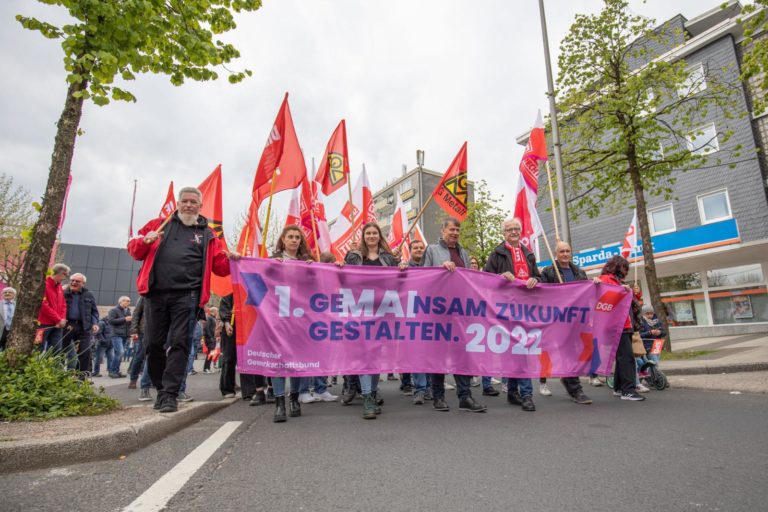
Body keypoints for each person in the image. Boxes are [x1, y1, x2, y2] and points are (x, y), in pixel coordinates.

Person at [127, 186, 237, 413]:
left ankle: (169, 395)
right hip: (155, 294)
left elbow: (221, 267)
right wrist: (145, 242)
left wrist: (234, 260)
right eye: (185, 201)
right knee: (154, 344)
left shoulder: (207, 234)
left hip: (187, 296)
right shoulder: (159, 225)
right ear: (178, 204)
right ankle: (160, 387)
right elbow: (135, 250)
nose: (188, 205)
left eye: (193, 202)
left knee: (180, 343)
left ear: (200, 206)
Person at [420, 217, 486, 413]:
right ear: (443, 231)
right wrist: (439, 269)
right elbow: (423, 277)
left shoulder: (463, 252)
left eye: (457, 230)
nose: (455, 233)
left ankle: (464, 397)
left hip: (459, 312)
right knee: (438, 356)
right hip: (438, 312)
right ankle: (438, 397)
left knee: (461, 356)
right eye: (451, 229)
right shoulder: (432, 250)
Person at [343, 222, 399, 419]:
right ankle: (367, 398)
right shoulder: (354, 256)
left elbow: (398, 282)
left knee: (375, 356)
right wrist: (340, 267)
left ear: (379, 236)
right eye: (368, 233)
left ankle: (372, 394)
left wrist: (403, 268)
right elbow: (343, 279)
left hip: (382, 311)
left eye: (375, 233)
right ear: (363, 236)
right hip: (359, 310)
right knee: (364, 355)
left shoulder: (388, 258)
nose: (372, 236)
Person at [484, 218, 540, 412]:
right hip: (506, 308)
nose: (514, 231)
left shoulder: (529, 254)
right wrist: (500, 277)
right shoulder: (497, 253)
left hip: (527, 309)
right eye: (510, 229)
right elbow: (485, 278)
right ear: (504, 233)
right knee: (517, 350)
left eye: (517, 228)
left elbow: (538, 276)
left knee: (520, 350)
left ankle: (516, 392)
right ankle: (524, 394)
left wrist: (535, 279)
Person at [269, 225, 316, 422]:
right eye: (290, 237)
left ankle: (294, 398)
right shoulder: (273, 260)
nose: (294, 240)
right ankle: (279, 403)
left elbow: (318, 285)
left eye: (297, 237)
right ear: (283, 239)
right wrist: (270, 267)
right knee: (279, 361)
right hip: (278, 318)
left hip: (300, 318)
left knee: (296, 361)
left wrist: (318, 269)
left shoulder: (308, 262)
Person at [539, 240, 593, 405]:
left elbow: (587, 294)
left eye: (567, 251)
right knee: (567, 353)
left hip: (577, 321)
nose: (564, 254)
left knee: (575, 353)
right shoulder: (549, 272)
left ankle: (569, 380)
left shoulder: (580, 273)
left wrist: (595, 283)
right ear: (556, 253)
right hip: (558, 321)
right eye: (561, 251)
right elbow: (542, 295)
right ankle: (576, 390)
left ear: (571, 253)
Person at [597, 255, 645, 401]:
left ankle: (619, 387)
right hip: (617, 325)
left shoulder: (618, 282)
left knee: (622, 357)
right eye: (624, 268)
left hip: (624, 324)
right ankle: (628, 390)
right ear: (616, 266)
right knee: (627, 358)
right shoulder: (606, 280)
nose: (626, 271)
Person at [61, 273, 99, 376]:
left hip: (84, 327)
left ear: (83, 283)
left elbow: (94, 312)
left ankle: (81, 378)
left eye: (77, 281)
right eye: (72, 280)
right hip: (66, 326)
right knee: (60, 351)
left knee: (85, 352)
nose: (73, 283)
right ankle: (57, 375)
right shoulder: (63, 292)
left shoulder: (88, 295)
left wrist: (95, 323)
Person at [38, 263, 69, 353]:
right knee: (38, 348)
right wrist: (59, 319)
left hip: (58, 324)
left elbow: (63, 304)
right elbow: (44, 305)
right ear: (60, 273)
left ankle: (49, 367)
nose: (66, 277)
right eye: (66, 274)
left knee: (56, 349)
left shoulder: (59, 287)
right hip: (44, 323)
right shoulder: (44, 285)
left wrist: (62, 319)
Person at [637, 304, 666, 392]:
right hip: (647, 345)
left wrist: (659, 332)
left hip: (657, 344)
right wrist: (650, 332)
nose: (650, 315)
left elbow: (664, 332)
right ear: (643, 314)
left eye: (651, 313)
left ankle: (653, 378)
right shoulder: (641, 322)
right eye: (647, 313)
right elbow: (639, 335)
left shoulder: (656, 321)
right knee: (654, 362)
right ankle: (655, 378)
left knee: (654, 362)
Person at [107, 296, 132, 378]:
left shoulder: (128, 311)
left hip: (125, 335)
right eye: (127, 301)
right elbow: (111, 321)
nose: (128, 302)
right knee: (120, 352)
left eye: (129, 301)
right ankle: (112, 371)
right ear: (121, 301)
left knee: (120, 353)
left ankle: (116, 371)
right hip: (116, 334)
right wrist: (124, 319)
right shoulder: (113, 310)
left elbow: (129, 323)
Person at [128, 297, 147, 389]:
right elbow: (136, 314)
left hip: (157, 332)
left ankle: (150, 380)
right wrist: (134, 331)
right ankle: (133, 379)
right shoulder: (144, 297)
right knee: (139, 356)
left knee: (155, 357)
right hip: (143, 331)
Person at [202, 307, 218, 374]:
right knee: (209, 353)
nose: (217, 313)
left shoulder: (213, 318)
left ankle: (208, 368)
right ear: (213, 311)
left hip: (213, 338)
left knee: (211, 353)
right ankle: (206, 368)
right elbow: (206, 328)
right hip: (209, 339)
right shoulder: (209, 318)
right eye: (216, 311)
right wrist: (210, 337)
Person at [0, 287, 16, 351]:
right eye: (5, 292)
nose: (7, 293)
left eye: (10, 292)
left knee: (7, 349)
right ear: (2, 294)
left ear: (14, 295)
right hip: (1, 329)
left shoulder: (17, 305)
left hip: (12, 330)